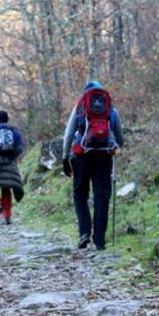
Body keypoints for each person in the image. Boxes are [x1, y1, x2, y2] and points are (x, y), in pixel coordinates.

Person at [62, 81, 124, 250]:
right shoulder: (110, 110)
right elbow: (120, 137)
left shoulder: (80, 107)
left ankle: (84, 233)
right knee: (101, 197)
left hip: (81, 155)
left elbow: (68, 135)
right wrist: (116, 144)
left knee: (80, 194)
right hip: (104, 155)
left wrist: (65, 157)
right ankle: (99, 240)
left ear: (85, 95)